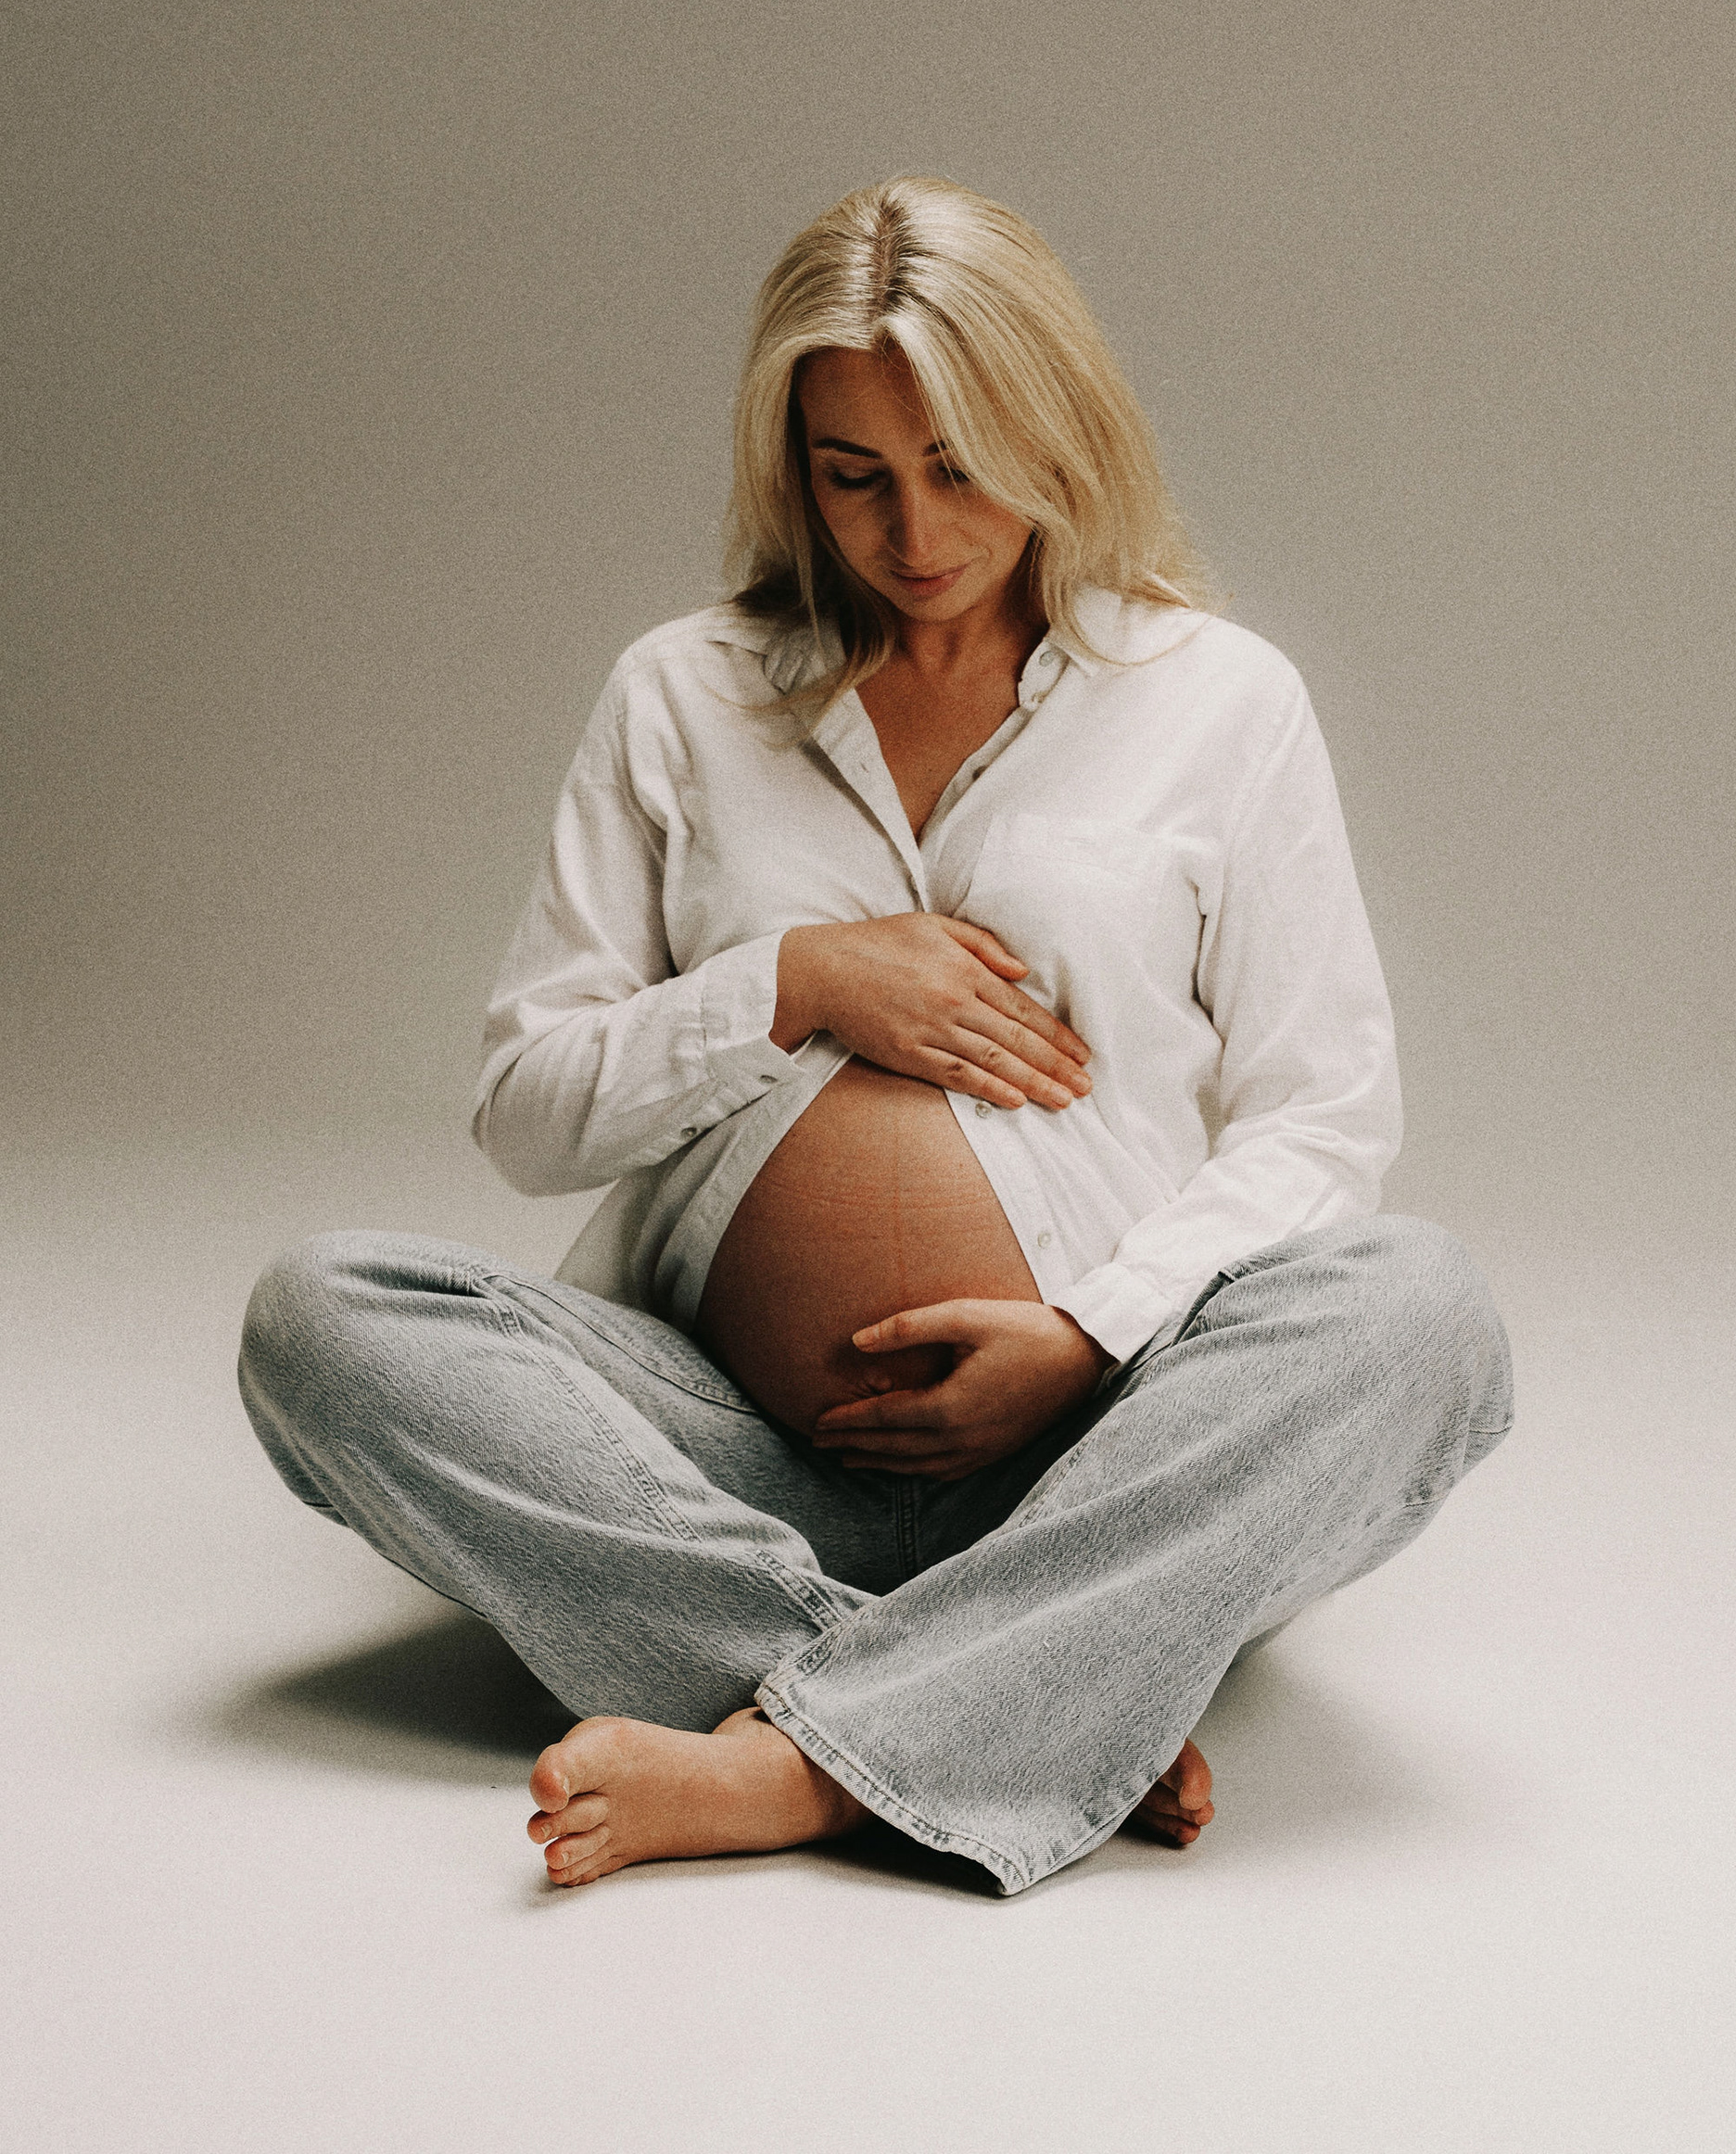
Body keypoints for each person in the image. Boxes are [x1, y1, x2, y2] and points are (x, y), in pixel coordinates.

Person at [238, 176, 1513, 1897]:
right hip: (729, 1465)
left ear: (1057, 429)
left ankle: (796, 1760)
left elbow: (1326, 1115)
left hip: (1104, 1458)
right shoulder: (682, 695)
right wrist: (794, 981)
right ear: (794, 467)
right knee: (319, 1321)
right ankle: (1034, 1695)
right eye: (856, 476)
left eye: (962, 465)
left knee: (1423, 1311)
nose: (914, 531)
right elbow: (530, 1117)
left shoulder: (1220, 700)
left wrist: (1087, 1337)